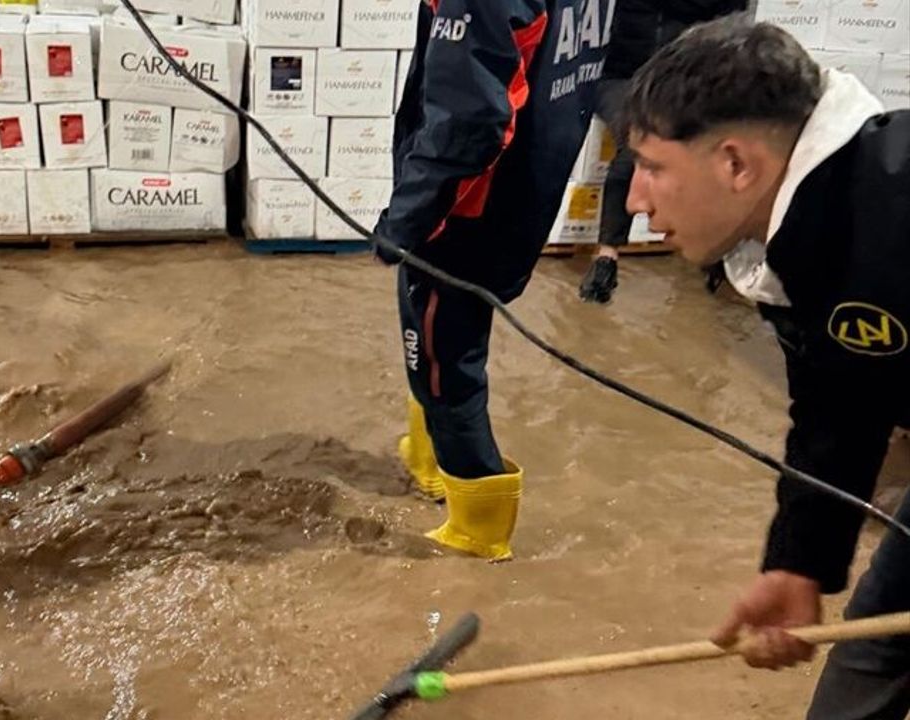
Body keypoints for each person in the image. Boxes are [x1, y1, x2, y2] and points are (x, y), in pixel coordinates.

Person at [621, 16, 908, 717]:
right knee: (873, 651)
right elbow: (838, 406)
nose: (634, 200)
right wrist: (798, 563)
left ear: (736, 164)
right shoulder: (806, 238)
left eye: (653, 167)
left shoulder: (896, 206)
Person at [374, 0, 612, 557]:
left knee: (444, 362)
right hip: (528, 183)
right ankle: (428, 462)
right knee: (437, 339)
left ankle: (477, 534)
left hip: (469, 208)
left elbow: (472, 116)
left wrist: (406, 220)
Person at [577, 0, 744, 303]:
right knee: (639, 140)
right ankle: (607, 256)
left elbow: (730, 26)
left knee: (715, 143)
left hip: (682, 81)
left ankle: (715, 250)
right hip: (620, 78)